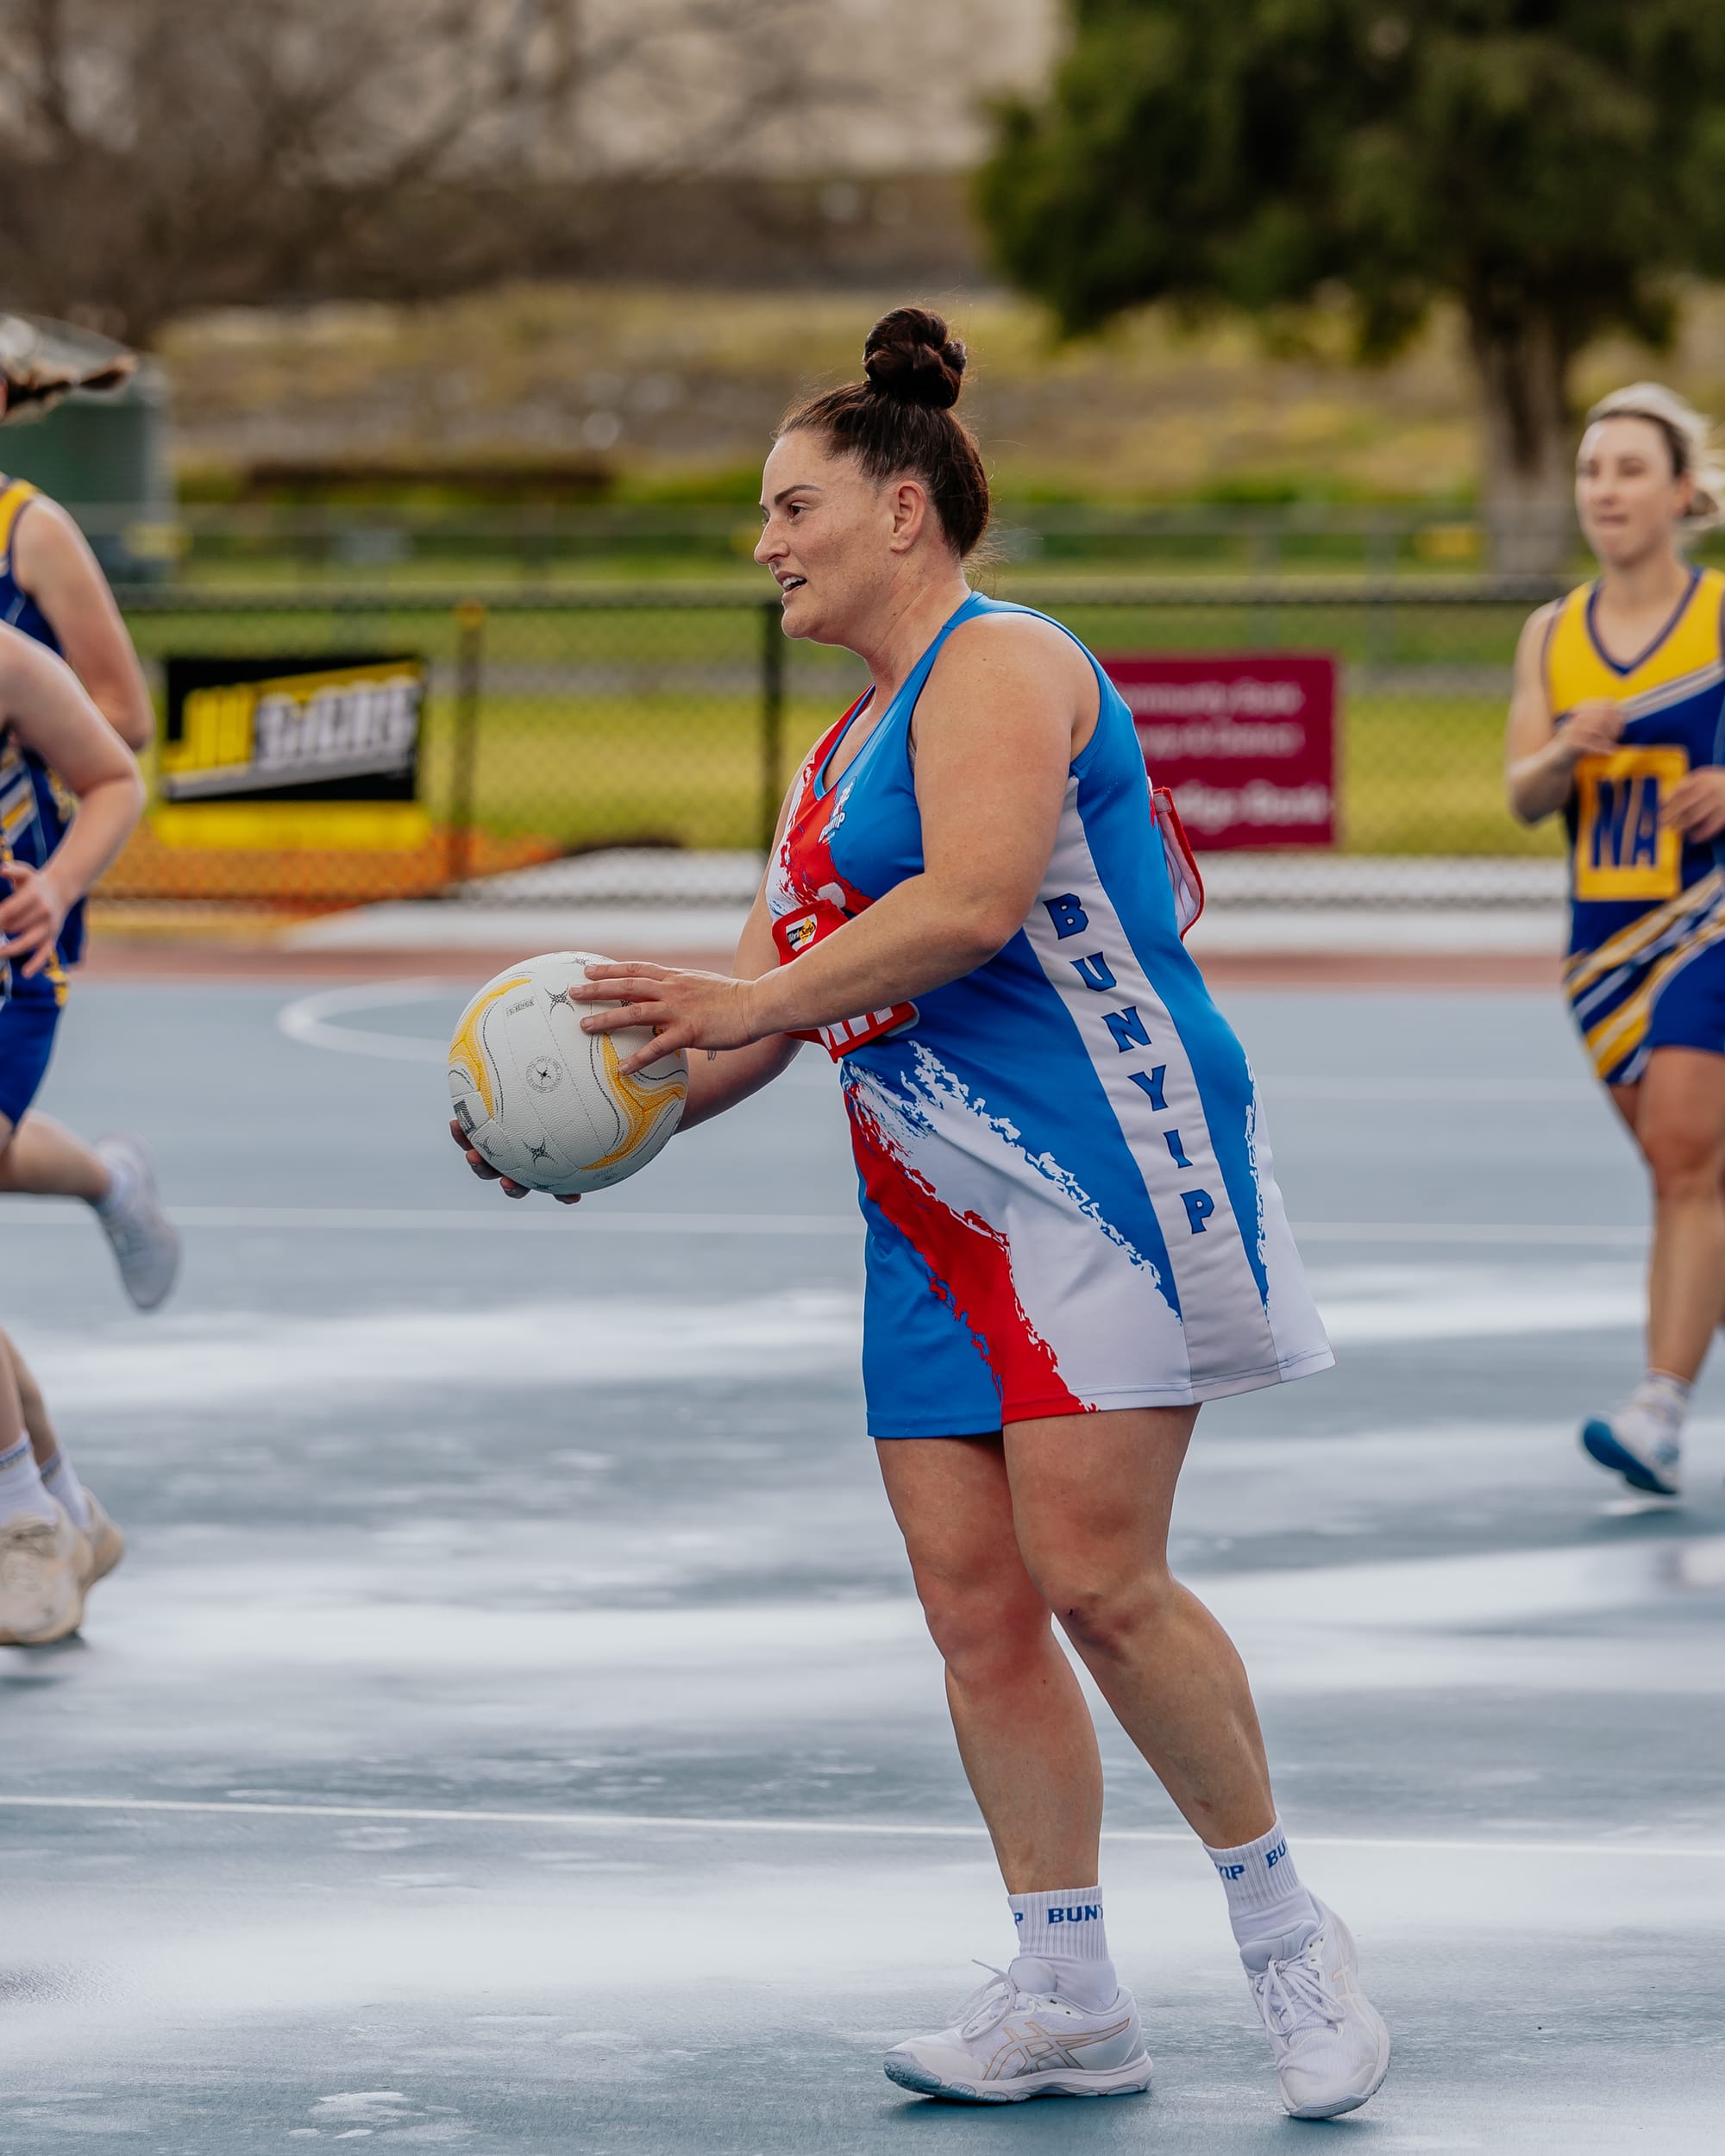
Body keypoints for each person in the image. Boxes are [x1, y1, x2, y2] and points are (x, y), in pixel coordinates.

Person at [453, 307, 1389, 2121]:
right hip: (929, 1211)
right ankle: (1064, 1987)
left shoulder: (1007, 665)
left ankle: (1290, 1941)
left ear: (902, 508)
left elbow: (966, 907)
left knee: (1098, 1580)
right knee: (976, 1609)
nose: (764, 541)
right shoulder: (828, 765)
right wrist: (599, 1111)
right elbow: (749, 1013)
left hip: (1098, 1171)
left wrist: (745, 1004)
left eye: (789, 502)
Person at [1506, 382, 1725, 1499]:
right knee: (1684, 1175)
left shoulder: (1721, 614)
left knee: (1691, 1159)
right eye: (1593, 471)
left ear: (1684, 493)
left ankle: (1659, 1411)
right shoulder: (1553, 633)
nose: (1607, 491)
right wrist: (1565, 757)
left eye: (1631, 469)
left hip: (1713, 925)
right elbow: (1522, 792)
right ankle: (1669, 1390)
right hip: (1603, 950)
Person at [0, 320, 179, 1313]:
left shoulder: (31, 531)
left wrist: (29, 721)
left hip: (23, 885)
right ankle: (111, 1177)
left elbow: (125, 723)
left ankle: (26, 1470)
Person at [0, 619, 143, 1643]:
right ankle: (64, 1502)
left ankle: (24, 1522)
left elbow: (115, 775)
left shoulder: (8, 661)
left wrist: (54, 885)